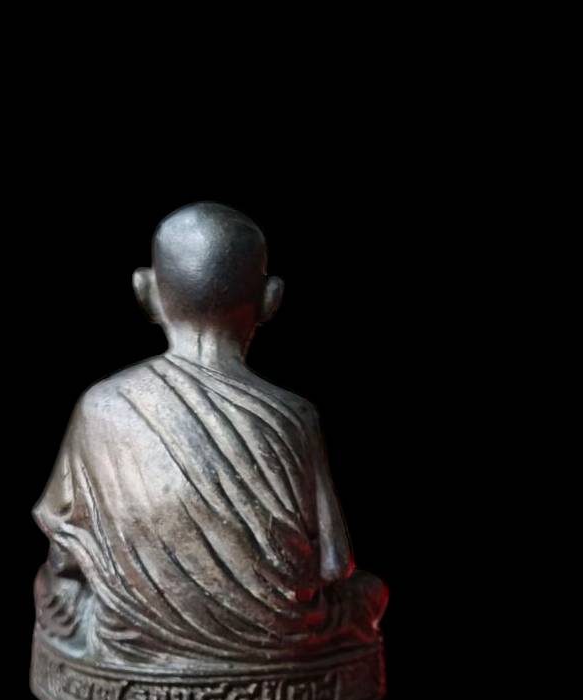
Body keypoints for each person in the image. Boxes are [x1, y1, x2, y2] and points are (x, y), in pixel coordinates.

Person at [33, 202, 387, 669]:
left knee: (53, 591)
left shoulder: (100, 407)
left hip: (129, 639)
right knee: (370, 594)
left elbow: (65, 555)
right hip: (279, 638)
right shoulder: (294, 417)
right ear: (271, 299)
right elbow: (333, 566)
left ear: (145, 290)